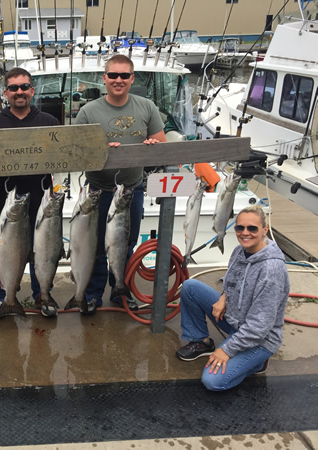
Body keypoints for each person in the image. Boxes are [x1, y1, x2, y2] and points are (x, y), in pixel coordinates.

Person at [75, 54, 166, 315]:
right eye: (113, 75)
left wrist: (152, 145)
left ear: (132, 78)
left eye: (124, 75)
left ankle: (121, 292)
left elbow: (162, 143)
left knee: (125, 244)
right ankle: (91, 295)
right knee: (95, 247)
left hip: (131, 190)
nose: (118, 80)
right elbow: (78, 151)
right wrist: (100, 150)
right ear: (104, 78)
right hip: (96, 193)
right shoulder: (88, 112)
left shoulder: (147, 107)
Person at [176, 205, 290, 391]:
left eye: (252, 228)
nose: (245, 233)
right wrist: (224, 296)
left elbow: (259, 327)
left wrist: (226, 350)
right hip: (235, 320)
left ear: (264, 230)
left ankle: (257, 363)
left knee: (213, 382)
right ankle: (201, 341)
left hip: (260, 338)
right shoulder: (239, 251)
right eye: (240, 228)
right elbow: (232, 281)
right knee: (190, 287)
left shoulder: (271, 271)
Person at [0, 67, 61, 317]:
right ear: (5, 93)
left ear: (32, 91)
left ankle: (42, 295)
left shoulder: (49, 122)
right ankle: (3, 298)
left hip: (41, 207)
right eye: (14, 88)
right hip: (3, 206)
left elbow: (62, 157)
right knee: (3, 255)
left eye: (24, 87)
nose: (19, 92)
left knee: (42, 255)